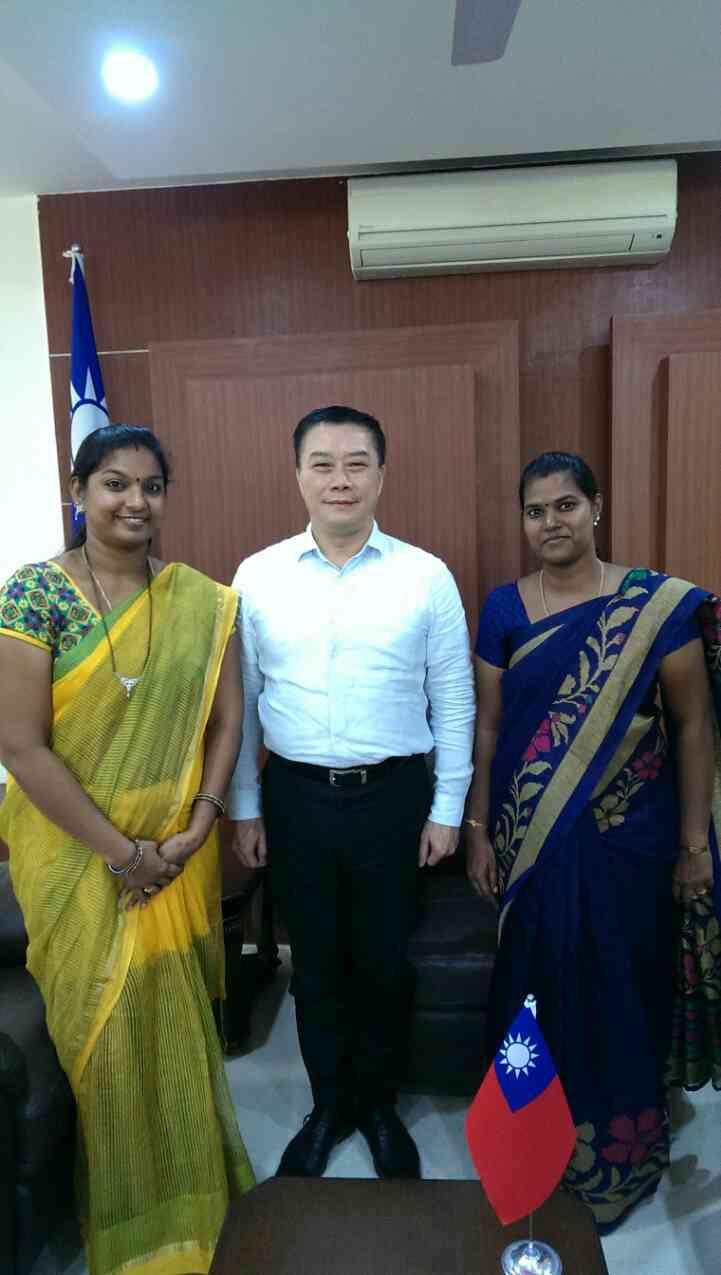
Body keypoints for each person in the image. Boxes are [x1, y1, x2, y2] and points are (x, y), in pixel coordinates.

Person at [0, 425, 254, 1275]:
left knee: (174, 1034)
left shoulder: (202, 601)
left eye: (151, 485)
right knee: (104, 1049)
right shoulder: (30, 596)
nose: (134, 501)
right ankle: (125, 1222)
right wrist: (122, 853)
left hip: (177, 859)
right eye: (115, 483)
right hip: (76, 865)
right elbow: (21, 747)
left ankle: (193, 1212)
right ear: (79, 492)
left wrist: (198, 824)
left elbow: (226, 720)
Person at [465, 450, 721, 1233]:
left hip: (628, 845)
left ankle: (620, 1155)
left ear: (596, 507)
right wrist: (478, 828)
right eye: (536, 509)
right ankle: (524, 1146)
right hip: (530, 841)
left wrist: (692, 845)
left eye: (566, 504)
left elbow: (692, 726)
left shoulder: (655, 606)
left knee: (621, 984)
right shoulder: (505, 608)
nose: (551, 521)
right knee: (532, 987)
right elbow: (488, 726)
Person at [228, 405, 475, 1179]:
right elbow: (242, 697)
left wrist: (447, 808)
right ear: (297, 472)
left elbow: (455, 697)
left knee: (383, 963)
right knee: (318, 965)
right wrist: (243, 804)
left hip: (394, 798)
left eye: (356, 462)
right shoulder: (257, 575)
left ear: (381, 474)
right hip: (295, 796)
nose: (340, 478)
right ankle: (328, 1102)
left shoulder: (423, 575)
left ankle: (378, 1105)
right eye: (322, 462)